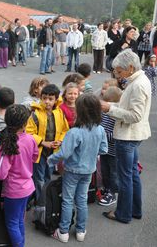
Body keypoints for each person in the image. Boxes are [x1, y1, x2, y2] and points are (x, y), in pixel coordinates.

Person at [101, 49, 151, 224]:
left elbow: (134, 115)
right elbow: (128, 106)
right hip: (134, 134)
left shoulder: (137, 84)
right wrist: (111, 104)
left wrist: (110, 109)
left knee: (125, 177)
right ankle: (134, 209)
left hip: (128, 135)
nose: (118, 75)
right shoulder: (138, 80)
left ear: (130, 67)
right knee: (132, 174)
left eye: (120, 72)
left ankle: (123, 213)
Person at [49, 93, 108, 243]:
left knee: (68, 200)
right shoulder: (100, 129)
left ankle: (63, 232)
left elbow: (64, 153)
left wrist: (49, 160)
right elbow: (103, 150)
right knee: (81, 200)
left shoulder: (74, 132)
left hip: (72, 170)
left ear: (79, 111)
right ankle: (81, 230)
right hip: (89, 169)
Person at [0, 104, 39, 247]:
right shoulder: (31, 139)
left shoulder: (7, 145)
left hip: (14, 190)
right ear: (25, 123)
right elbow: (34, 157)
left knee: (12, 222)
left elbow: (1, 174)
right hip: (28, 187)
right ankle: (21, 243)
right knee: (20, 219)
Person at [25, 84, 69, 200]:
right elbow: (29, 132)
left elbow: (65, 130)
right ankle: (40, 202)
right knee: (38, 178)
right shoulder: (35, 114)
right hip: (39, 152)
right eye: (44, 98)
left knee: (48, 176)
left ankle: (46, 199)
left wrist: (60, 141)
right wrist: (43, 142)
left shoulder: (60, 113)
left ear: (56, 100)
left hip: (52, 151)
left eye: (50, 99)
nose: (47, 102)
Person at [99, 86, 123, 207]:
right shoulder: (104, 113)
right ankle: (107, 188)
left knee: (113, 172)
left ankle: (112, 192)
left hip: (113, 150)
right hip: (104, 150)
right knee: (104, 170)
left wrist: (103, 137)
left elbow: (117, 134)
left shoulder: (117, 115)